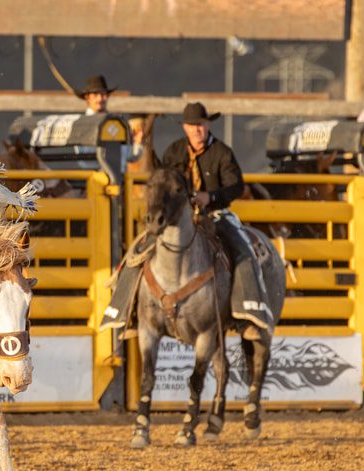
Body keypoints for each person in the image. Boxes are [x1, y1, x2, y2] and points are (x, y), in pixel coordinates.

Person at [102, 102, 273, 340]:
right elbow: (161, 177)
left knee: (241, 248)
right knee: (139, 249)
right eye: (192, 126)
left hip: (215, 214)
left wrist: (211, 196)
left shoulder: (222, 153)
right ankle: (127, 312)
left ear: (207, 125)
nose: (197, 130)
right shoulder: (175, 151)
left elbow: (236, 186)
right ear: (185, 128)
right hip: (178, 217)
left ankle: (245, 315)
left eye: (201, 125)